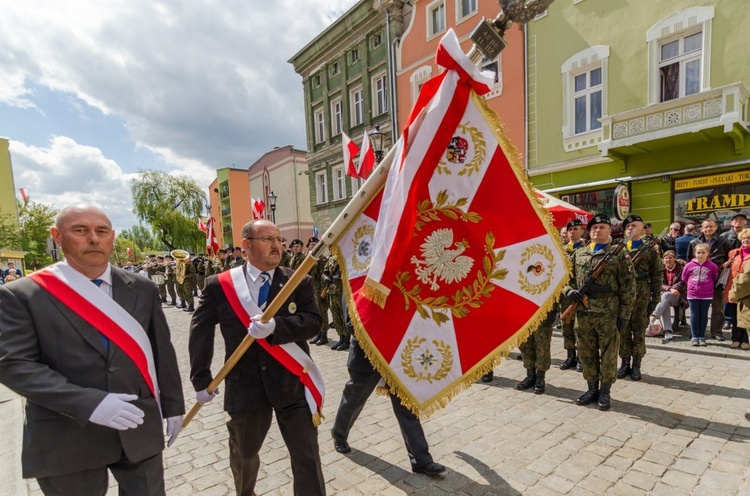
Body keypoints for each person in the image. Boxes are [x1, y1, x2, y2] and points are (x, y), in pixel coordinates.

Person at [0, 205, 184, 495]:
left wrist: (174, 406)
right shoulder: (23, 295)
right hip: (67, 433)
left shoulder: (142, 287)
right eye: (80, 230)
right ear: (57, 237)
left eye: (101, 231)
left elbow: (162, 350)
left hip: (136, 423)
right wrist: (90, 404)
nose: (93, 239)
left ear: (112, 237)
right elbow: (14, 365)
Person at [188, 219, 325, 496]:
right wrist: (200, 378)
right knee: (244, 456)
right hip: (244, 386)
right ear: (247, 245)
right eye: (268, 239)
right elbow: (200, 331)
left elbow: (314, 322)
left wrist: (278, 327)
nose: (277, 246)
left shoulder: (298, 280)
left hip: (292, 381)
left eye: (279, 240)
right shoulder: (219, 285)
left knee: (306, 456)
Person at [331, 304, 446, 477]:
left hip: (396, 355)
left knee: (406, 406)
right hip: (367, 355)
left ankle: (421, 459)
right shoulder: (356, 278)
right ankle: (339, 434)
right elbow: (351, 323)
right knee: (354, 399)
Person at [564, 214, 635, 411]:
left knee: (609, 354)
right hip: (583, 312)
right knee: (586, 352)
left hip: (608, 313)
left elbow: (629, 288)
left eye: (603, 227)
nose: (598, 230)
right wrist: (570, 292)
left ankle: (605, 390)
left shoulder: (620, 255)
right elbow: (567, 280)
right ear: (589, 231)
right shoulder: (579, 254)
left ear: (609, 231)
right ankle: (591, 388)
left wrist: (624, 316)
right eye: (594, 227)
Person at [617, 215, 662, 382]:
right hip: (622, 293)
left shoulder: (649, 249)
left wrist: (655, 298)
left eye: (634, 225)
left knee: (638, 329)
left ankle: (636, 364)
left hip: (641, 292)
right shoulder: (618, 248)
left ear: (642, 229)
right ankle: (624, 362)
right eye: (628, 226)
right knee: (623, 329)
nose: (630, 228)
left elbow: (657, 275)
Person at [687, 219, 731, 341]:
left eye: (711, 227)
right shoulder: (694, 242)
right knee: (697, 309)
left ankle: (716, 332)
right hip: (699, 280)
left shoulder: (724, 242)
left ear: (716, 227)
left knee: (717, 307)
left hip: (717, 278)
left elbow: (729, 259)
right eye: (705, 227)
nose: (708, 229)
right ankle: (695, 332)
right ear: (701, 229)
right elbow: (689, 261)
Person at [560, 218, 585, 372]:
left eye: (576, 229)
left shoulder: (586, 249)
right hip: (565, 294)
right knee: (566, 326)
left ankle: (581, 358)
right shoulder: (561, 251)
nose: (573, 232)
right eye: (570, 230)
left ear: (581, 231)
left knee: (581, 327)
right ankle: (570, 356)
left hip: (581, 294)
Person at [682, 243, 719, 346]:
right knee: (694, 315)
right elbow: (684, 278)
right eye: (698, 252)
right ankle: (694, 336)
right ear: (694, 253)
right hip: (692, 293)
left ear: (708, 253)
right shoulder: (689, 265)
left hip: (706, 294)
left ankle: (702, 336)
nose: (700, 255)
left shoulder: (712, 266)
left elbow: (715, 277)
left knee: (703, 315)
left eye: (703, 253)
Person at [722, 228, 750, 349]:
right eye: (744, 238)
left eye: (749, 238)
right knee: (734, 316)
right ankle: (735, 339)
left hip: (747, 290)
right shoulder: (733, 253)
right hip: (732, 289)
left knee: (746, 316)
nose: (746, 240)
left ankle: (745, 340)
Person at [650, 250, 686, 340]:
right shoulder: (661, 268)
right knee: (665, 298)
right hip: (665, 295)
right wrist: (670, 289)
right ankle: (667, 331)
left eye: (670, 258)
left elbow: (683, 282)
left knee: (665, 296)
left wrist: (674, 289)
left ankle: (653, 317)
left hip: (678, 295)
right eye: (666, 258)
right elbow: (659, 283)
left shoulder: (681, 268)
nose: (668, 260)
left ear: (675, 259)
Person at [306, 236, 331, 346]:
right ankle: (319, 333)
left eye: (314, 244)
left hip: (320, 289)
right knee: (316, 312)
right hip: (313, 288)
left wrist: (323, 291)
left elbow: (323, 275)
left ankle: (324, 335)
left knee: (322, 312)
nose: (312, 246)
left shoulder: (321, 259)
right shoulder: (311, 258)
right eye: (310, 245)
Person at [325, 253, 350, 350]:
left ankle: (346, 340)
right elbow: (325, 271)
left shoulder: (344, 256)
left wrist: (339, 277)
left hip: (341, 292)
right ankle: (341, 338)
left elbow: (348, 273)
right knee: (335, 317)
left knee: (343, 316)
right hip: (331, 292)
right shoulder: (331, 259)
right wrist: (325, 278)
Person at [728, 254, 750, 351]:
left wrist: (733, 294)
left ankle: (744, 340)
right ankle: (736, 339)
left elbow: (744, 283)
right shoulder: (735, 254)